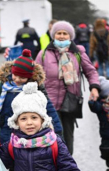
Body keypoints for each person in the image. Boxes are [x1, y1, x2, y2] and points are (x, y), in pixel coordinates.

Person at [35, 21, 100, 155]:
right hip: (49, 103)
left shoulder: (78, 52)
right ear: (54, 35)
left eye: (65, 33)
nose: (62, 36)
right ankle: (53, 164)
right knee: (52, 135)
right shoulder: (43, 54)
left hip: (70, 101)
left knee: (68, 136)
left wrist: (94, 87)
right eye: (59, 33)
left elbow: (91, 71)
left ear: (70, 36)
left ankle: (67, 163)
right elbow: (35, 76)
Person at [0, 49, 63, 144]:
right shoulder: (4, 85)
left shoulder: (35, 88)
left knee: (24, 154)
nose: (17, 79)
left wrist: (57, 128)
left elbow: (47, 106)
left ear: (29, 77)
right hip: (6, 126)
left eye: (22, 77)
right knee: (6, 153)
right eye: (15, 75)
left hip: (28, 130)